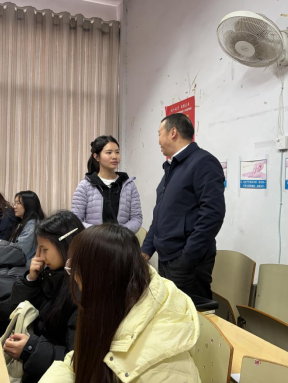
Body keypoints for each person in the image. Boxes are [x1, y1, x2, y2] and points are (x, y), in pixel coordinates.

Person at [39, 224, 200, 383]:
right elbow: (76, 362)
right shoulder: (118, 302)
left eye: (76, 269)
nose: (74, 278)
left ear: (100, 280)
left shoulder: (161, 367)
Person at [141, 113, 226, 299]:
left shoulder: (203, 162)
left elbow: (212, 214)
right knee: (170, 313)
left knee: (190, 314)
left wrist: (187, 257)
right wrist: (146, 250)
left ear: (173, 132)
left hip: (186, 263)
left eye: (159, 134)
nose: (158, 140)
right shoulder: (173, 166)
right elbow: (160, 214)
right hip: (167, 258)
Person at [4, 211, 84, 383]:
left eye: (44, 249)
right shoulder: (50, 274)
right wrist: (30, 279)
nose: (39, 256)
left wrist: (30, 348)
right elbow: (16, 306)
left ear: (66, 246)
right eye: (38, 248)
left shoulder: (80, 289)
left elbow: (76, 360)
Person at [72, 135, 142, 233]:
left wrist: (120, 233)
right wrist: (100, 233)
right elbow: (75, 221)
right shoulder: (85, 186)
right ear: (96, 157)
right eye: (109, 152)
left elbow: (136, 218)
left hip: (122, 240)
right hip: (94, 240)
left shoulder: (129, 185)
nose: (114, 156)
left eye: (117, 152)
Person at [9, 191, 46, 262]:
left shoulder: (31, 226)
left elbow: (18, 253)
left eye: (18, 203)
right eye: (15, 203)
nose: (14, 206)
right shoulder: (23, 223)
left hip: (26, 264)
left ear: (29, 205)